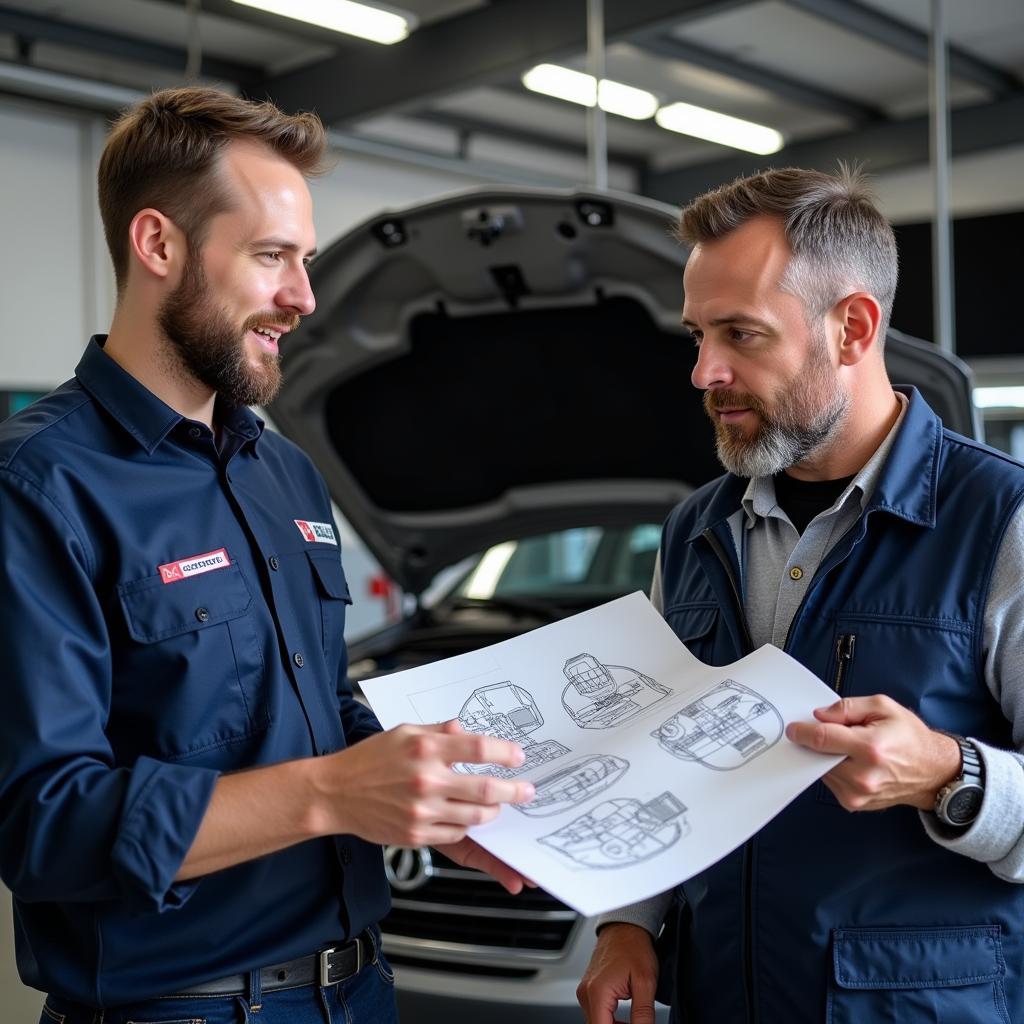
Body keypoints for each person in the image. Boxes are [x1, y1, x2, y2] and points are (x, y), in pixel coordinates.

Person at [0, 87, 535, 1024]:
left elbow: (319, 714)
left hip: (362, 990)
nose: (304, 297)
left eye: (308, 260)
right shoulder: (40, 488)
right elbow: (42, 822)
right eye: (271, 257)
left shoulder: (283, 470)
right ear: (158, 245)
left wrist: (426, 798)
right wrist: (331, 794)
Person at [576, 166, 1024, 1023]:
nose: (705, 371)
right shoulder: (694, 530)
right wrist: (628, 922)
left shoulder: (1003, 523)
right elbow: (660, 758)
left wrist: (947, 775)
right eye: (697, 335)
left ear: (852, 328)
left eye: (742, 335)